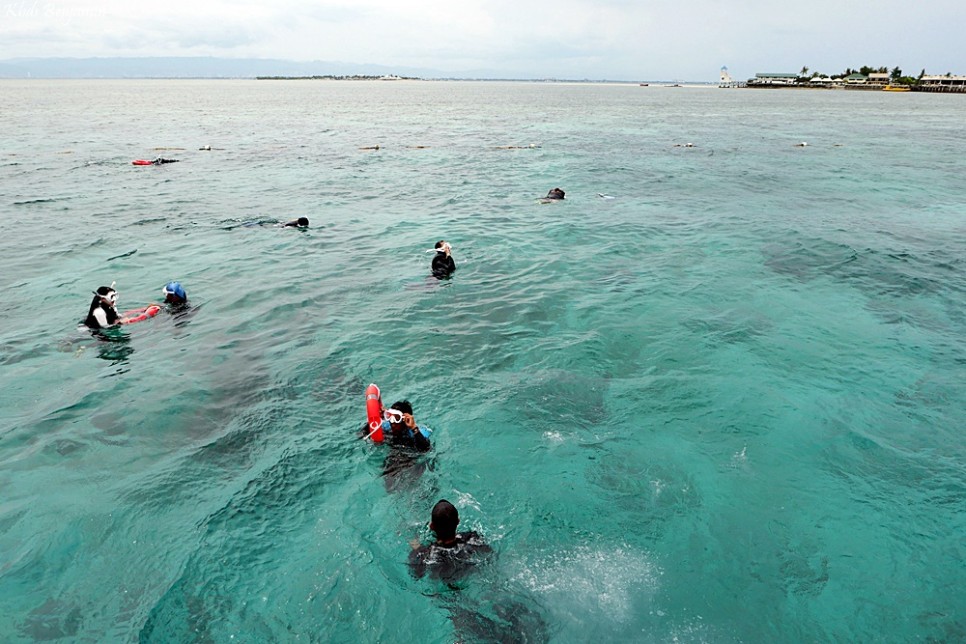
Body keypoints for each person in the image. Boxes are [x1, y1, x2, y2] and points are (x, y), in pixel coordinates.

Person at [409, 499, 493, 581]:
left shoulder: (426, 554)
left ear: (431, 526)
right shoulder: (473, 538)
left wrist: (412, 539)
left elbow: (416, 575)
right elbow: (490, 555)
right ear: (458, 521)